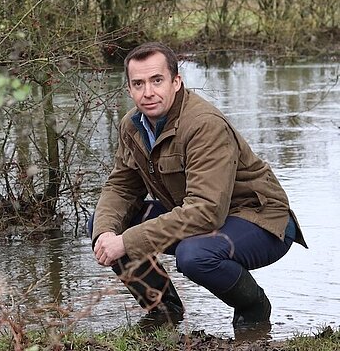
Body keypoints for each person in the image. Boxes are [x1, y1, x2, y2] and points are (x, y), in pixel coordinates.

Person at [89, 42, 307, 331]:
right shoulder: (132, 126)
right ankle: (164, 313)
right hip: (205, 217)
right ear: (129, 89)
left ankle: (253, 310)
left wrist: (127, 242)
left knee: (194, 255)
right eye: (138, 84)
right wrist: (106, 232)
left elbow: (206, 212)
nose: (148, 92)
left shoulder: (204, 124)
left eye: (157, 81)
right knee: (103, 224)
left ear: (176, 82)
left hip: (261, 221)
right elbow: (121, 187)